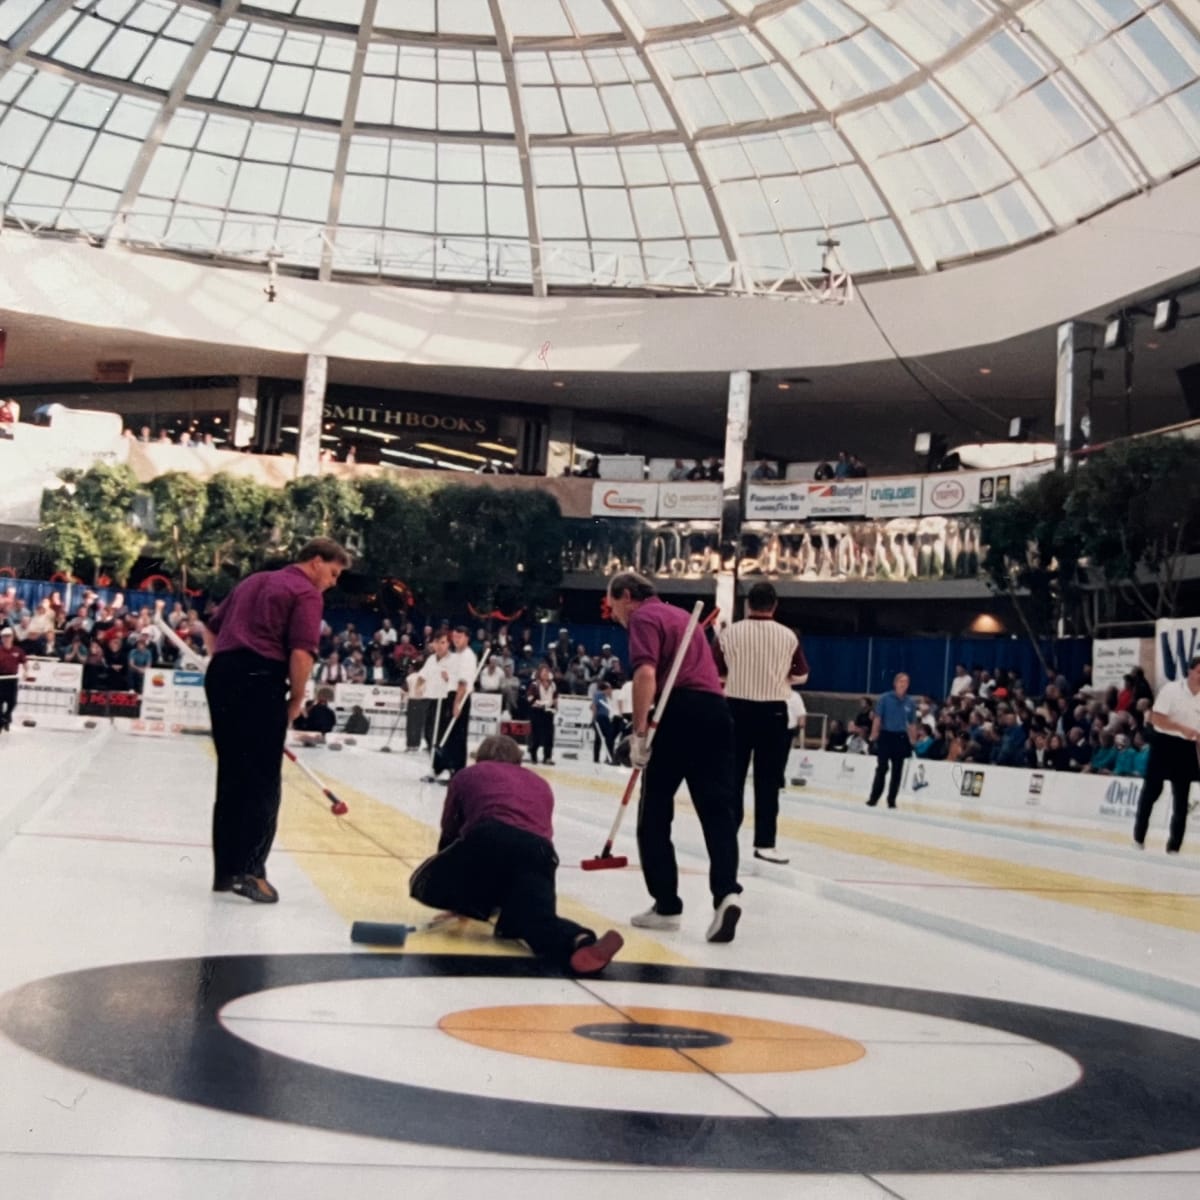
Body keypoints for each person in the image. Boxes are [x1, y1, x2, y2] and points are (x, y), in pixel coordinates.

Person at [201, 538, 349, 902]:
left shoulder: (252, 581)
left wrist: (225, 661)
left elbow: (211, 629)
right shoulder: (306, 593)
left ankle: (226, 872)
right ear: (316, 562)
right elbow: (301, 653)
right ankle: (251, 870)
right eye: (333, 573)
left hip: (223, 675)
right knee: (264, 780)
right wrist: (297, 699)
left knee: (232, 775)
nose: (332, 582)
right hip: (261, 678)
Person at [409, 735, 623, 975]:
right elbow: (540, 831)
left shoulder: (467, 775)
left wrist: (455, 888)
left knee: (421, 882)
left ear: (480, 757)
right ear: (518, 761)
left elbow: (449, 832)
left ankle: (480, 905)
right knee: (532, 921)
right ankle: (580, 941)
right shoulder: (540, 783)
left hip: (488, 837)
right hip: (540, 852)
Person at [606, 571, 742, 943]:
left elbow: (646, 674)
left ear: (627, 595)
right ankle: (726, 893)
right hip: (715, 711)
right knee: (717, 812)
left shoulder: (644, 618)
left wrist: (638, 733)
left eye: (613, 605)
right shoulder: (684, 617)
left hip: (676, 710)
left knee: (655, 811)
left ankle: (666, 904)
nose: (614, 614)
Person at [713, 582, 809, 865]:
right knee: (768, 782)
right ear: (775, 605)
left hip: (736, 710)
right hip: (773, 714)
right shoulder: (788, 636)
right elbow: (802, 675)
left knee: (733, 778)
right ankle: (765, 843)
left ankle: (727, 837)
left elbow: (715, 672)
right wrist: (779, 677)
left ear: (747, 605)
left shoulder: (729, 634)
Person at [1133, 655, 1200, 854]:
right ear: (1190, 671)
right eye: (1199, 672)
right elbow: (1157, 719)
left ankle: (1174, 847)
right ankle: (1138, 838)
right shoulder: (1171, 690)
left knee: (1181, 799)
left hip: (1187, 748)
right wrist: (1181, 728)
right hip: (1164, 744)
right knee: (1151, 792)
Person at [866, 672, 919, 809]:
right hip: (886, 735)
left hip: (901, 738)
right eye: (901, 681)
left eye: (906, 682)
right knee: (882, 768)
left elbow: (912, 723)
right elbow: (878, 718)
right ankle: (874, 798)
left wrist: (913, 740)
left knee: (897, 771)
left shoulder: (910, 702)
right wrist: (873, 735)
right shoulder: (885, 698)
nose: (903, 684)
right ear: (895, 683)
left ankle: (892, 800)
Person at [527, 662, 557, 765]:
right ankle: (533, 754)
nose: (545, 673)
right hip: (537, 712)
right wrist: (542, 704)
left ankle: (547, 757)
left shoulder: (553, 685)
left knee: (549, 735)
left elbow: (555, 697)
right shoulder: (535, 685)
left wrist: (554, 704)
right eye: (543, 672)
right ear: (539, 673)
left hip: (549, 713)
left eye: (547, 671)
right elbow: (530, 699)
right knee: (536, 735)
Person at [0, 626, 27, 733]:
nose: (7, 639)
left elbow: (24, 662)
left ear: (12, 637)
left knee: (13, 702)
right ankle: (2, 720)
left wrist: (26, 672)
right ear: (1, 638)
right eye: (4, 637)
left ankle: (6, 717)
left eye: (9, 636)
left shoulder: (18, 650)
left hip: (12, 679)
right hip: (1, 679)